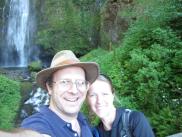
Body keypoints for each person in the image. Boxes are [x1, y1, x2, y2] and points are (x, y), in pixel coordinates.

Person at [0, 50, 99, 137]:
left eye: (80, 82)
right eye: (64, 82)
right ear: (49, 87)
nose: (74, 90)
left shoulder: (82, 120)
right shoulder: (37, 124)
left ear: (87, 87)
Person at [87, 74, 155, 137]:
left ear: (112, 95)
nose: (99, 101)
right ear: (87, 99)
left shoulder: (134, 120)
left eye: (104, 94)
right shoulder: (95, 133)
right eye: (93, 95)